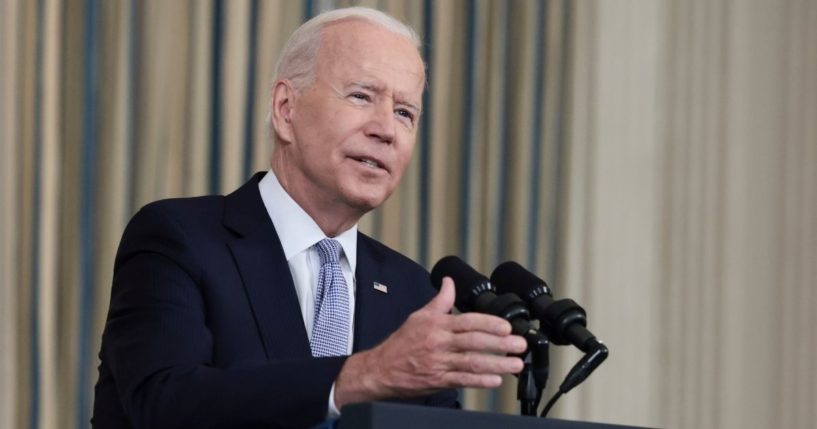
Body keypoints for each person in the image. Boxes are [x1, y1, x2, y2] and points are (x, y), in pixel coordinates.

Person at [92, 7, 526, 429]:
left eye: (404, 113)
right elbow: (163, 402)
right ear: (286, 109)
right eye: (361, 96)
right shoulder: (180, 239)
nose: (387, 130)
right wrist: (358, 377)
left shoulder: (414, 294)